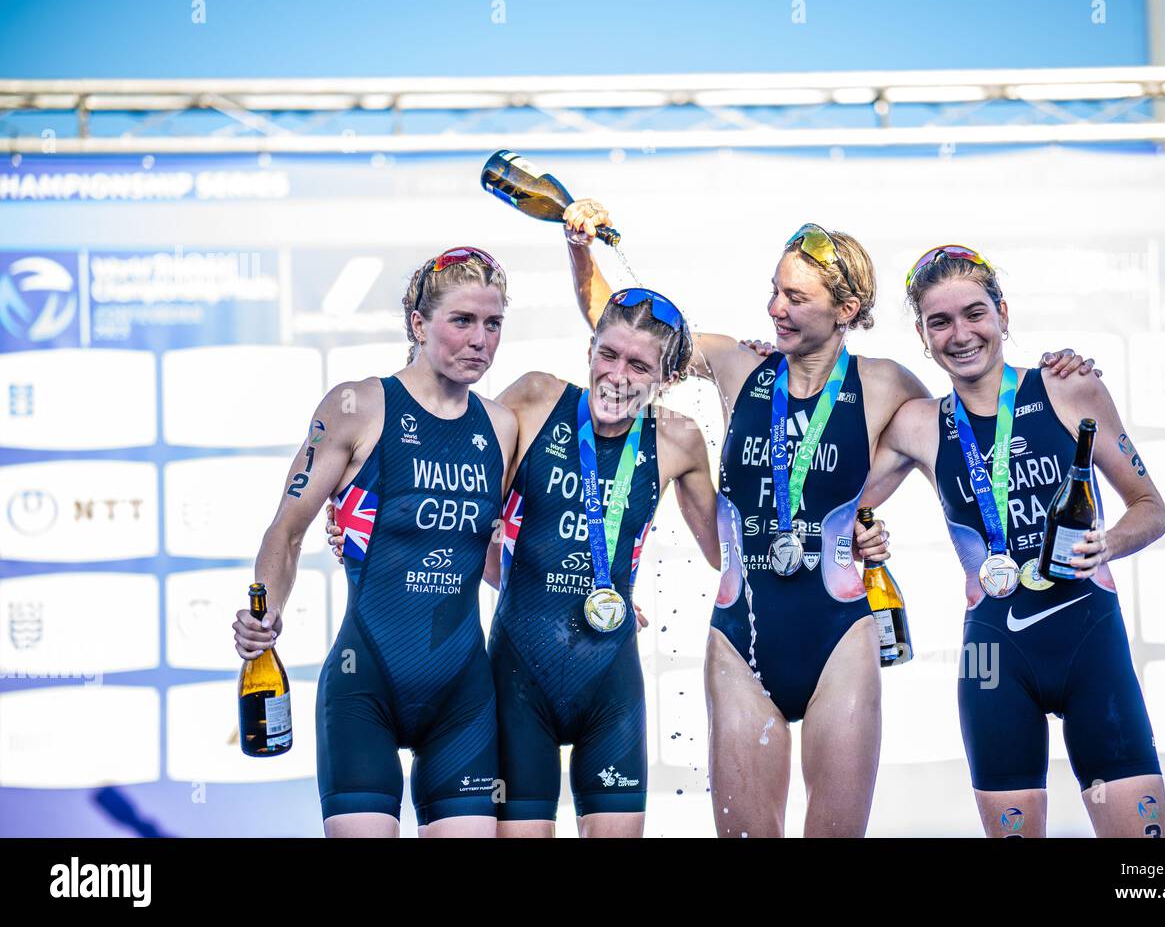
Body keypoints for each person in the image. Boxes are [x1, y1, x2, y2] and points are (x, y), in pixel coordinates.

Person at [563, 201, 1095, 837]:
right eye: (774, 292)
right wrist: (580, 248)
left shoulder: (886, 384)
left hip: (840, 634)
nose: (775, 309)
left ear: (845, 309)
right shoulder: (741, 366)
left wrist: (1056, 372)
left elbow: (968, 436)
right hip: (741, 635)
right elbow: (618, 326)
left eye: (794, 296)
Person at [327, 286, 729, 837]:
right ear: (590, 348)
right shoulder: (535, 401)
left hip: (610, 679)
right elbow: (459, 499)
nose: (617, 376)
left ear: (665, 377)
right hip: (519, 676)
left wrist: (841, 522)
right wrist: (365, 524)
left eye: (640, 365)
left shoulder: (680, 440)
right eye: (608, 354)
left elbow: (722, 553)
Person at [857, 244, 1165, 837]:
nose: (961, 333)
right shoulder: (918, 425)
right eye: (939, 322)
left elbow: (1152, 509)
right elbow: (838, 511)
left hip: (1089, 642)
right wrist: (864, 538)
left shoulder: (1067, 388)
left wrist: (1109, 543)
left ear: (1003, 313)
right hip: (994, 659)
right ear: (924, 338)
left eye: (975, 313)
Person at [233, 247, 517, 838]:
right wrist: (268, 610)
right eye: (461, 321)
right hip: (365, 686)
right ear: (418, 324)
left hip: (463, 694)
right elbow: (285, 533)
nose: (480, 341)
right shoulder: (356, 405)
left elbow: (491, 555)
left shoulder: (501, 425)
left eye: (493, 324)